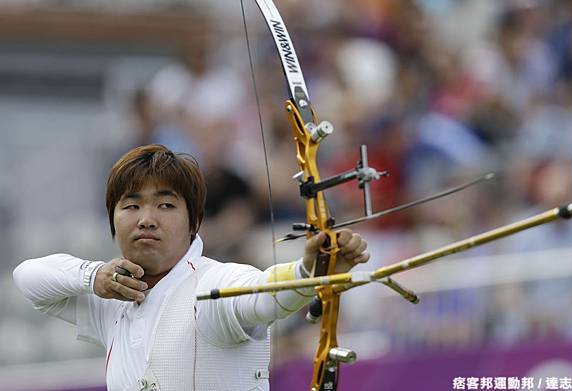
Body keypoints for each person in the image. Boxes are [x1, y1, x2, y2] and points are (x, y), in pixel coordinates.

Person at [12, 144, 370, 391]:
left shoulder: (214, 283)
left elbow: (262, 297)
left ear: (194, 222)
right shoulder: (111, 297)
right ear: (112, 220)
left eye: (166, 205)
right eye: (131, 206)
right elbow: (28, 277)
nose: (147, 220)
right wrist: (93, 277)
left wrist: (309, 272)